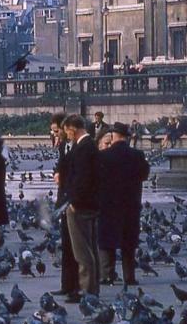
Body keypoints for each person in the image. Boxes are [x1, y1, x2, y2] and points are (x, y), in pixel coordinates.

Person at [97, 122, 150, 286]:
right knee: (129, 242)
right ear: (127, 137)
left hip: (108, 204)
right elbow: (144, 175)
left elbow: (96, 179)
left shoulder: (104, 156)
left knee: (107, 241)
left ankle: (107, 274)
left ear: (113, 136)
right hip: (130, 204)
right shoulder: (137, 155)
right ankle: (129, 276)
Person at [62, 114, 101, 298]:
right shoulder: (88, 145)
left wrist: (75, 202)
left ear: (72, 128)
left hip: (81, 205)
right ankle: (91, 288)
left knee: (82, 251)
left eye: (66, 131)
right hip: (90, 203)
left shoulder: (84, 148)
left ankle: (87, 290)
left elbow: (82, 179)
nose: (66, 135)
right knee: (90, 247)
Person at [50, 113, 79, 298]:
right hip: (63, 199)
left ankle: (74, 286)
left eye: (56, 130)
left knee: (73, 245)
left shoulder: (75, 146)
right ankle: (67, 284)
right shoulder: (63, 146)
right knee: (66, 244)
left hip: (71, 200)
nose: (54, 134)